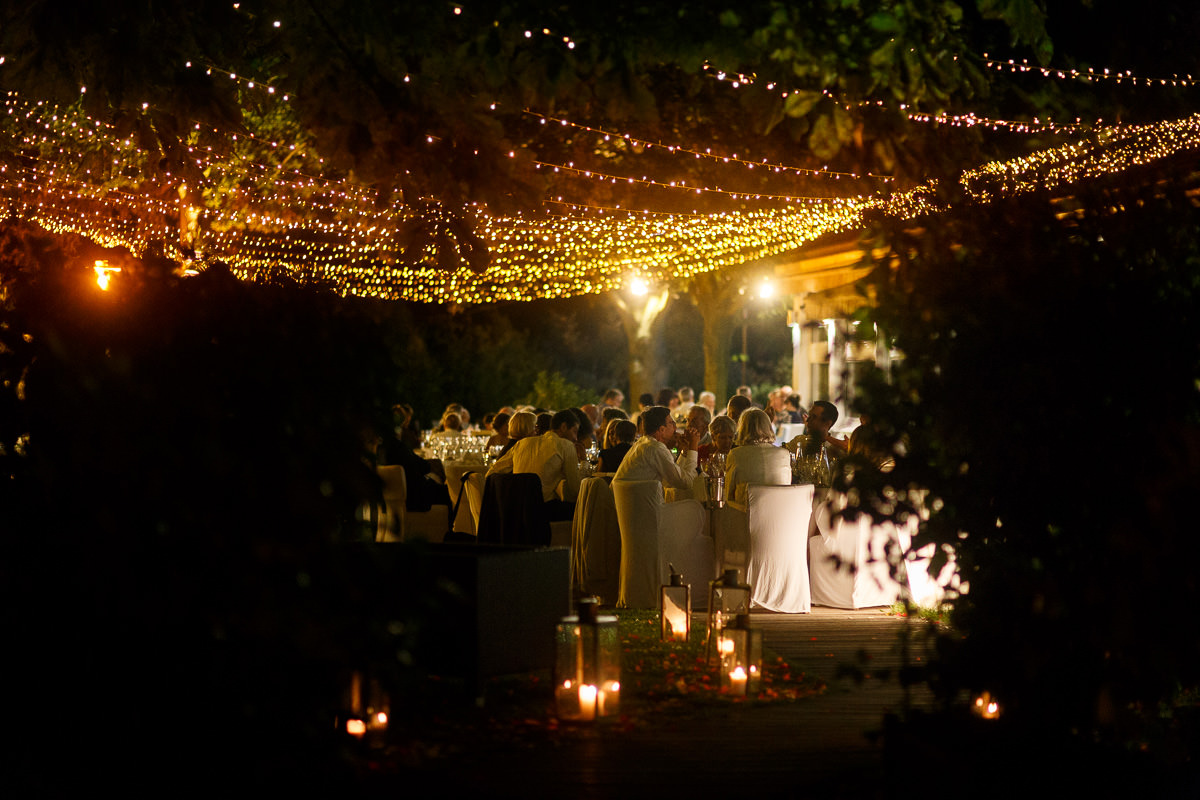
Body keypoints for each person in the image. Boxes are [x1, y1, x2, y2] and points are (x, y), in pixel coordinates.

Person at [486, 408, 581, 520]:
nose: (576, 438)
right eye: (575, 431)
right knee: (585, 510)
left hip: (515, 511)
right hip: (543, 511)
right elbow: (575, 490)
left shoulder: (522, 443)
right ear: (564, 427)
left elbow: (491, 473)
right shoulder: (566, 445)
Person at [613, 406, 698, 491]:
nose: (675, 428)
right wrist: (693, 446)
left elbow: (669, 482)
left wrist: (684, 452)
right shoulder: (656, 448)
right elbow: (687, 483)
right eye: (672, 423)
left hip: (633, 503)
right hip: (645, 504)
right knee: (695, 504)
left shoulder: (641, 444)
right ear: (662, 430)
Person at [724, 408, 791, 506]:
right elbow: (786, 488)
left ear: (742, 429)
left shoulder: (736, 454)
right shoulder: (784, 454)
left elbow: (728, 495)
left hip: (744, 517)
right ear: (768, 427)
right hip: (778, 514)